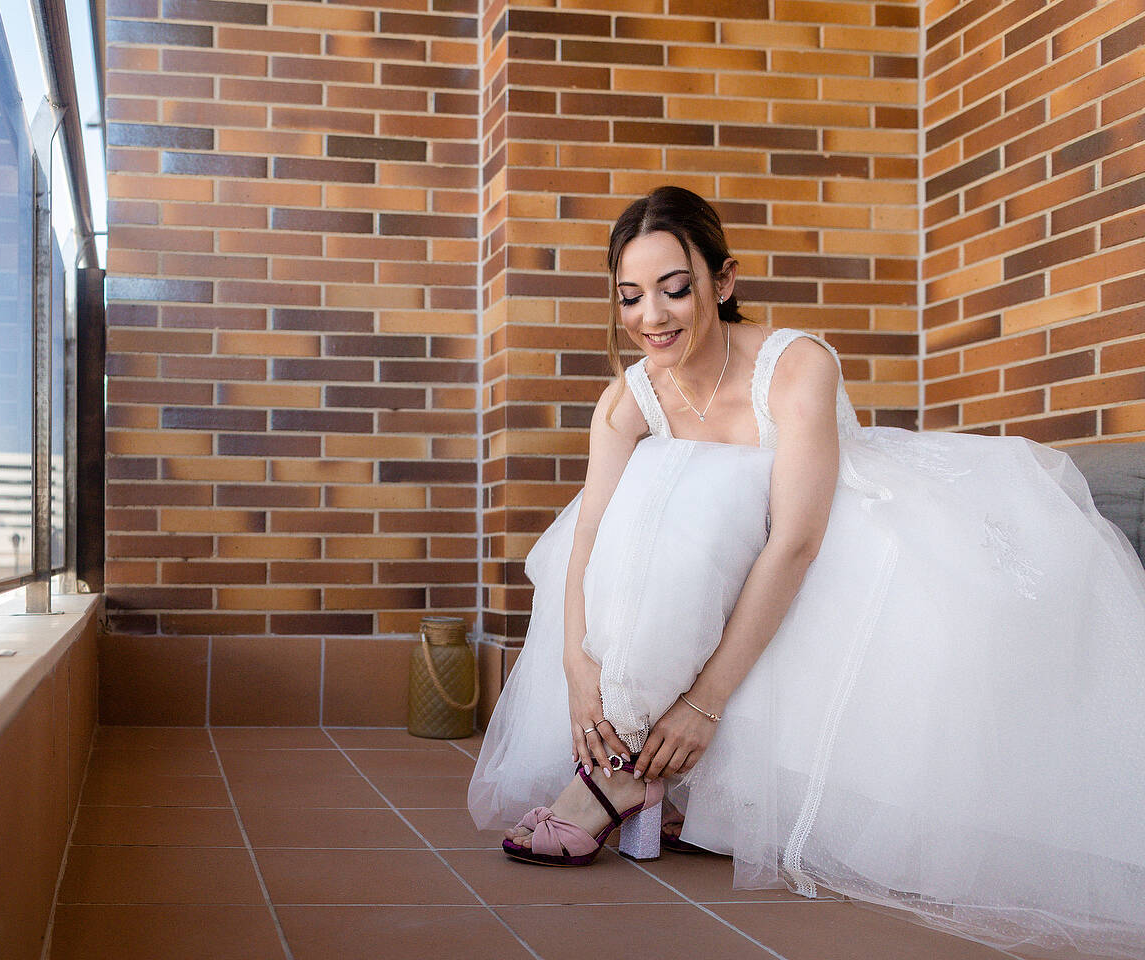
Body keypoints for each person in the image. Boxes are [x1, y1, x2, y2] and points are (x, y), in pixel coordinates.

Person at [467, 186, 1145, 959]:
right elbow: (589, 534)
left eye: (675, 289)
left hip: (838, 532)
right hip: (715, 554)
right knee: (645, 502)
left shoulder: (796, 363)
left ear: (723, 282)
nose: (651, 317)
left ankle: (626, 781)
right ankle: (627, 765)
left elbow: (796, 539)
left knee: (702, 499)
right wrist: (575, 670)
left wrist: (704, 705)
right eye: (630, 296)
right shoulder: (628, 398)